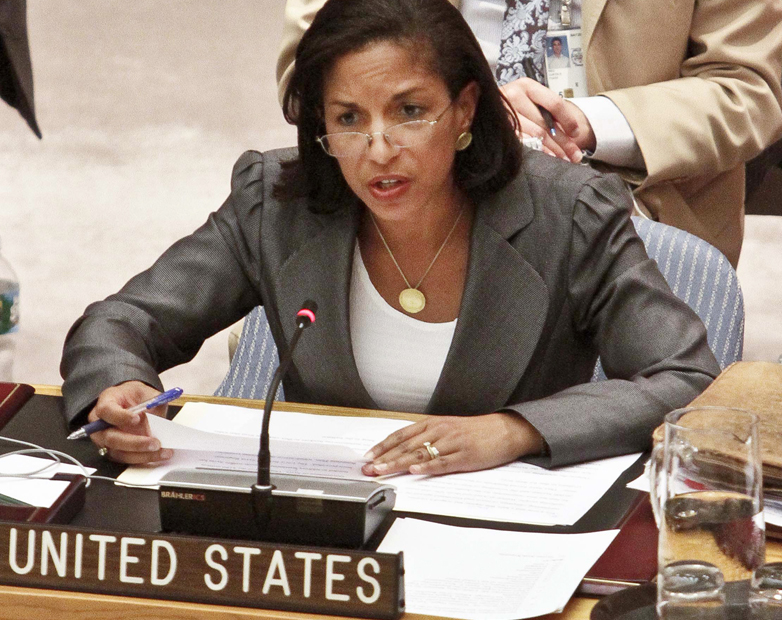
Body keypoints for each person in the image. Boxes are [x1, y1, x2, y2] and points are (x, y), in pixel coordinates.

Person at [60, 0, 719, 477]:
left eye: (409, 111)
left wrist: (514, 431)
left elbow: (685, 377)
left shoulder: (566, 213)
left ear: (464, 109)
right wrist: (118, 390)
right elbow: (123, 320)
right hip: (333, 539)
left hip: (505, 534)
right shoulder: (278, 202)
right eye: (349, 118)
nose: (379, 149)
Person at [278, 0, 782, 268]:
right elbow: (310, 64)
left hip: (625, 191)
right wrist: (464, 114)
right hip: (422, 158)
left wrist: (586, 121)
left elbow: (749, 86)